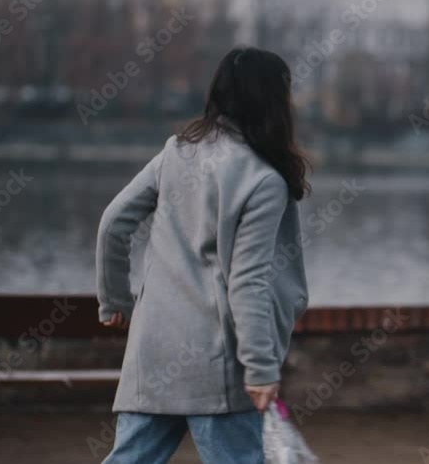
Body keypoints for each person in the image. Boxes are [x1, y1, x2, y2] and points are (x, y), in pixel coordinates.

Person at [95, 47, 310, 464]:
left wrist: (115, 300)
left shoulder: (177, 152)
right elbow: (247, 282)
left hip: (153, 352)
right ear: (274, 102)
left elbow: (113, 222)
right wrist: (261, 368)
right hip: (217, 365)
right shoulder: (263, 180)